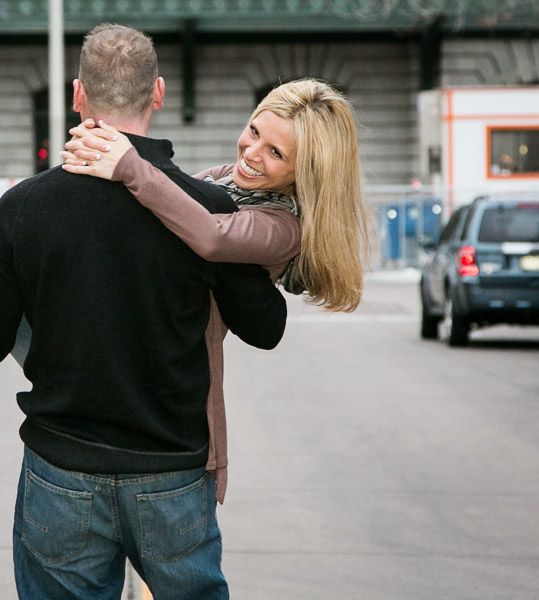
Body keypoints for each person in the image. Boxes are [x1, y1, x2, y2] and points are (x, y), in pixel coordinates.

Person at [0, 24, 285, 597]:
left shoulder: (21, 208)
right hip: (172, 476)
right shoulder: (207, 208)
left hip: (59, 470)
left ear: (79, 96)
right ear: (157, 93)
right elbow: (266, 328)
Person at [59, 77, 370, 502]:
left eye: (276, 153)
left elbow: (211, 236)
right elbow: (158, 209)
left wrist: (129, 163)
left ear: (305, 173)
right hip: (133, 344)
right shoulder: (227, 180)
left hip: (173, 377)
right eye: (255, 131)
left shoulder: (282, 227)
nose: (252, 154)